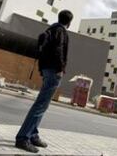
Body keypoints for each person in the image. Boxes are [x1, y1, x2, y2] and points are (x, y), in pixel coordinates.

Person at [15, 10, 73, 153]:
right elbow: (59, 50)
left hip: (47, 69)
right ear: (69, 22)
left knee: (43, 105)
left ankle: (33, 134)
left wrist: (43, 69)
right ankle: (23, 138)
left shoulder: (51, 29)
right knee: (40, 105)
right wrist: (60, 69)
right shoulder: (61, 31)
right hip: (54, 71)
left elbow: (42, 50)